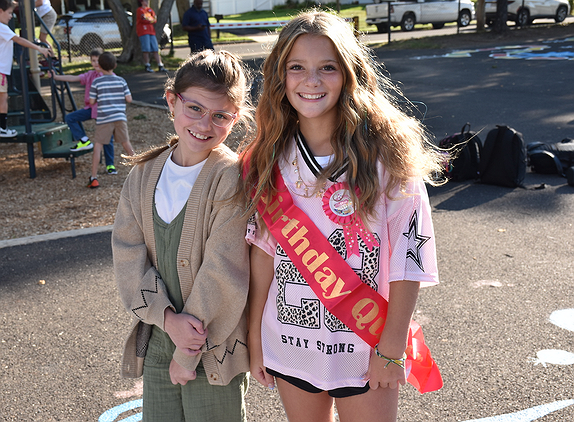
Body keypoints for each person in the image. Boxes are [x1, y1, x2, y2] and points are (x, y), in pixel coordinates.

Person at [239, 10, 444, 422]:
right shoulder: (267, 158)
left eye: (327, 68)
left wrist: (391, 348)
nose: (311, 81)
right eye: (297, 67)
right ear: (280, 77)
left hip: (366, 344)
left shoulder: (389, 155)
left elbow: (408, 259)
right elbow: (263, 252)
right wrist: (254, 335)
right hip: (291, 340)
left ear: (350, 74)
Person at [112, 50, 252, 421]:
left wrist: (187, 351)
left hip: (214, 346)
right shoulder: (143, 175)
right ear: (172, 101)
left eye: (220, 115)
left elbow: (224, 269)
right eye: (195, 108)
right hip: (159, 336)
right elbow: (128, 254)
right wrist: (167, 319)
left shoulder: (230, 177)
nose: (205, 124)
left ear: (235, 118)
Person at [47, 48, 117, 174]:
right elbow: (74, 78)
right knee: (70, 118)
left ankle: (110, 165)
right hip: (91, 109)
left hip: (104, 112)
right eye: (93, 60)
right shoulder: (90, 75)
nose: (96, 63)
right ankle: (84, 140)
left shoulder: (109, 76)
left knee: (107, 139)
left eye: (98, 61)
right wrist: (56, 76)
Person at [0, 0, 51, 137]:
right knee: (3, 97)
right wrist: (39, 48)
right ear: (0, 11)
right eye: (9, 13)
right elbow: (19, 40)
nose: (11, 16)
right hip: (1, 70)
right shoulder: (2, 27)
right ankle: (2, 128)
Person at [87, 52, 134, 188]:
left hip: (104, 118)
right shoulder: (121, 81)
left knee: (98, 146)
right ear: (115, 65)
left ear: (100, 66)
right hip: (120, 117)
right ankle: (140, 170)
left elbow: (91, 101)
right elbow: (129, 99)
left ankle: (94, 177)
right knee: (126, 143)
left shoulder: (97, 82)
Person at [136, 0, 166, 73]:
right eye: (145, 1)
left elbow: (154, 19)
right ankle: (147, 65)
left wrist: (149, 18)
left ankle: (160, 65)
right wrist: (150, 18)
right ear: (141, 2)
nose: (147, 2)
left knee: (155, 49)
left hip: (151, 31)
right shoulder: (140, 10)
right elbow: (143, 19)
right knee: (146, 49)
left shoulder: (150, 10)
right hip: (143, 31)